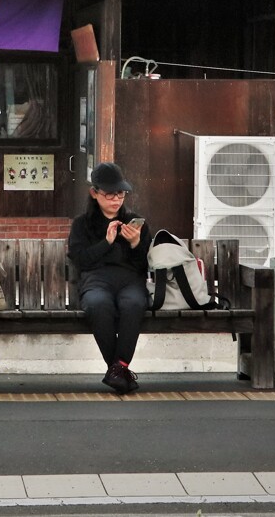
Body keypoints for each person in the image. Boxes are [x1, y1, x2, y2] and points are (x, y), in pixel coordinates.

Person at [67, 162, 152, 395]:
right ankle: (119, 370)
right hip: (96, 280)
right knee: (97, 304)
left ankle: (117, 370)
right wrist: (107, 242)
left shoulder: (135, 223)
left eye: (120, 193)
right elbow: (81, 260)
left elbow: (145, 266)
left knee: (133, 303)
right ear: (94, 193)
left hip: (130, 280)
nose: (116, 199)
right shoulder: (81, 224)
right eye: (109, 194)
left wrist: (136, 243)